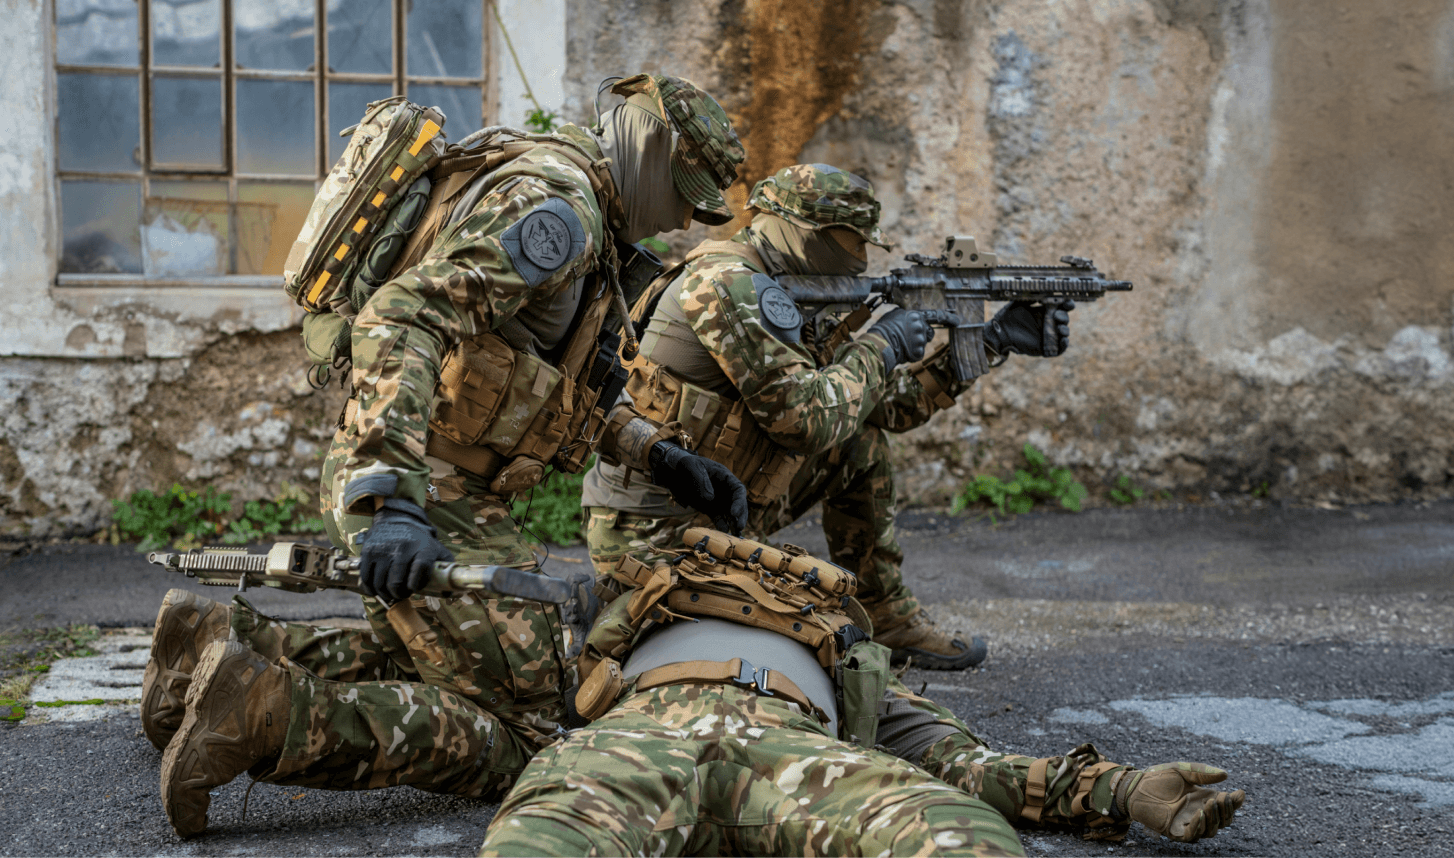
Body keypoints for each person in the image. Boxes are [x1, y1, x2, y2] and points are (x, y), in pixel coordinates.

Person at [143, 73, 756, 839]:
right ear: (651, 154)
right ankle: (261, 718)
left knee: (439, 664)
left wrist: (659, 453)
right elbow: (402, 316)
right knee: (533, 734)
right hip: (425, 488)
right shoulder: (555, 213)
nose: (683, 225)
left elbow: (551, 385)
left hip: (442, 485)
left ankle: (210, 652)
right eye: (685, 198)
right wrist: (392, 498)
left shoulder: (585, 213)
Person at [579, 163, 1076, 670]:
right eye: (853, 241)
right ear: (807, 232)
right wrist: (881, 345)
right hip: (655, 532)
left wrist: (993, 340)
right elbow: (807, 421)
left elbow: (881, 407)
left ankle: (888, 615)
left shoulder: (785, 286)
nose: (860, 259)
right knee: (824, 654)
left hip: (723, 505)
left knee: (861, 445)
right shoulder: (729, 284)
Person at [480, 529, 1244, 856]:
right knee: (541, 841)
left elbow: (971, 771)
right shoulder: (632, 618)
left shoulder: (859, 673)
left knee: (958, 834)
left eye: (788, 568)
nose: (771, 569)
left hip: (797, 747)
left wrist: (1124, 789)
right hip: (636, 733)